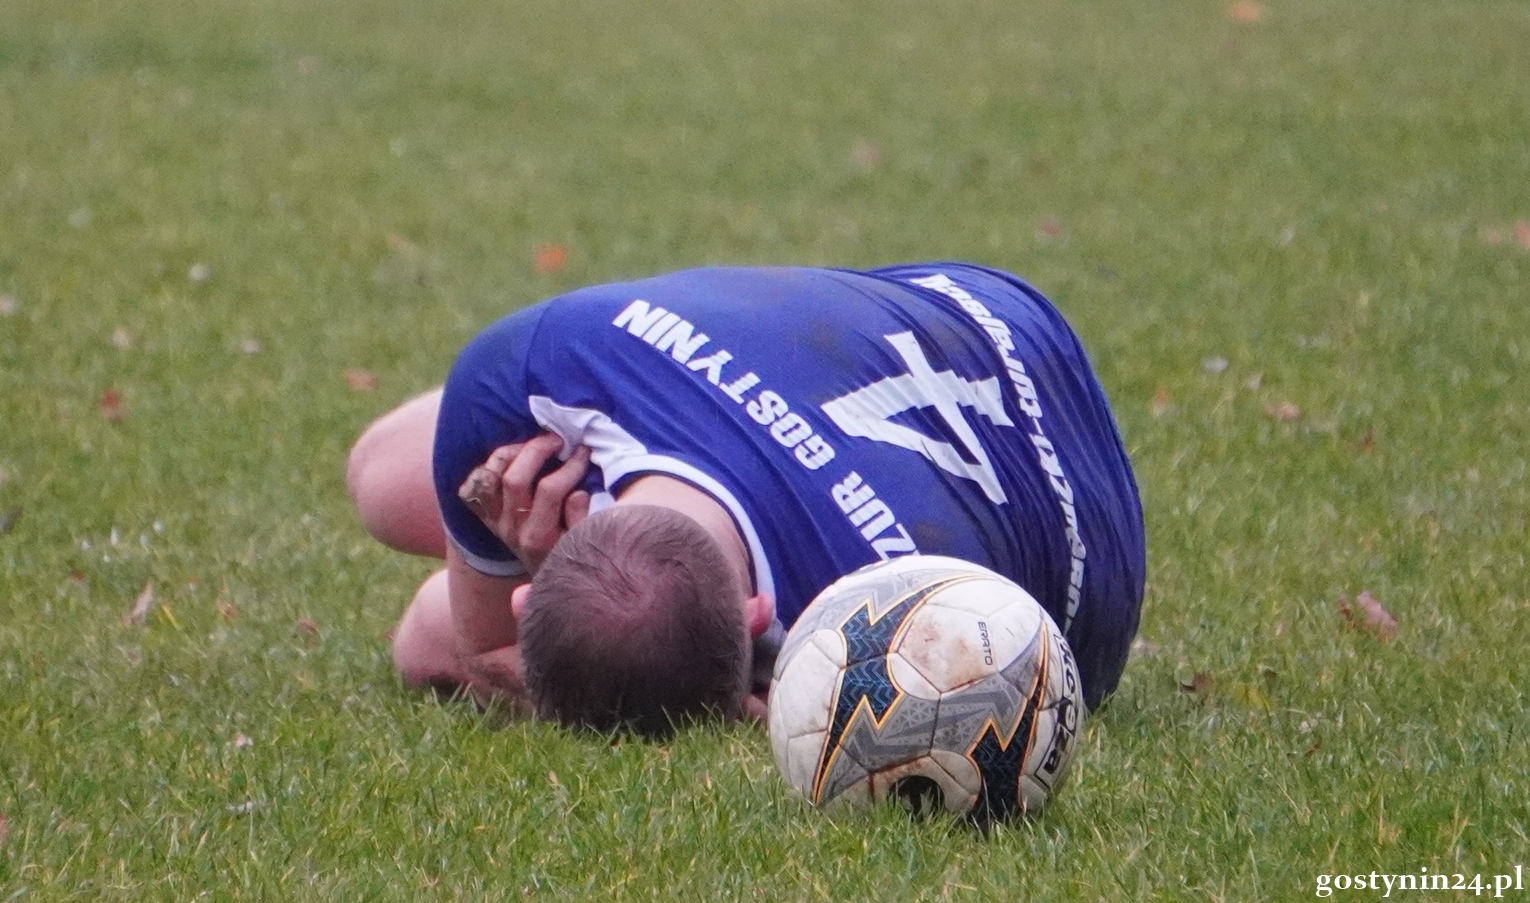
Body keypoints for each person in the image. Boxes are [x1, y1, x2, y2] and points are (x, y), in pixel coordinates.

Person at [347, 262, 1145, 737]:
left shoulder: (879, 633)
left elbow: (460, 644)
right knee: (389, 495)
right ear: (756, 613)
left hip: (990, 353)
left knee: (419, 616)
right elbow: (490, 638)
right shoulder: (520, 361)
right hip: (982, 326)